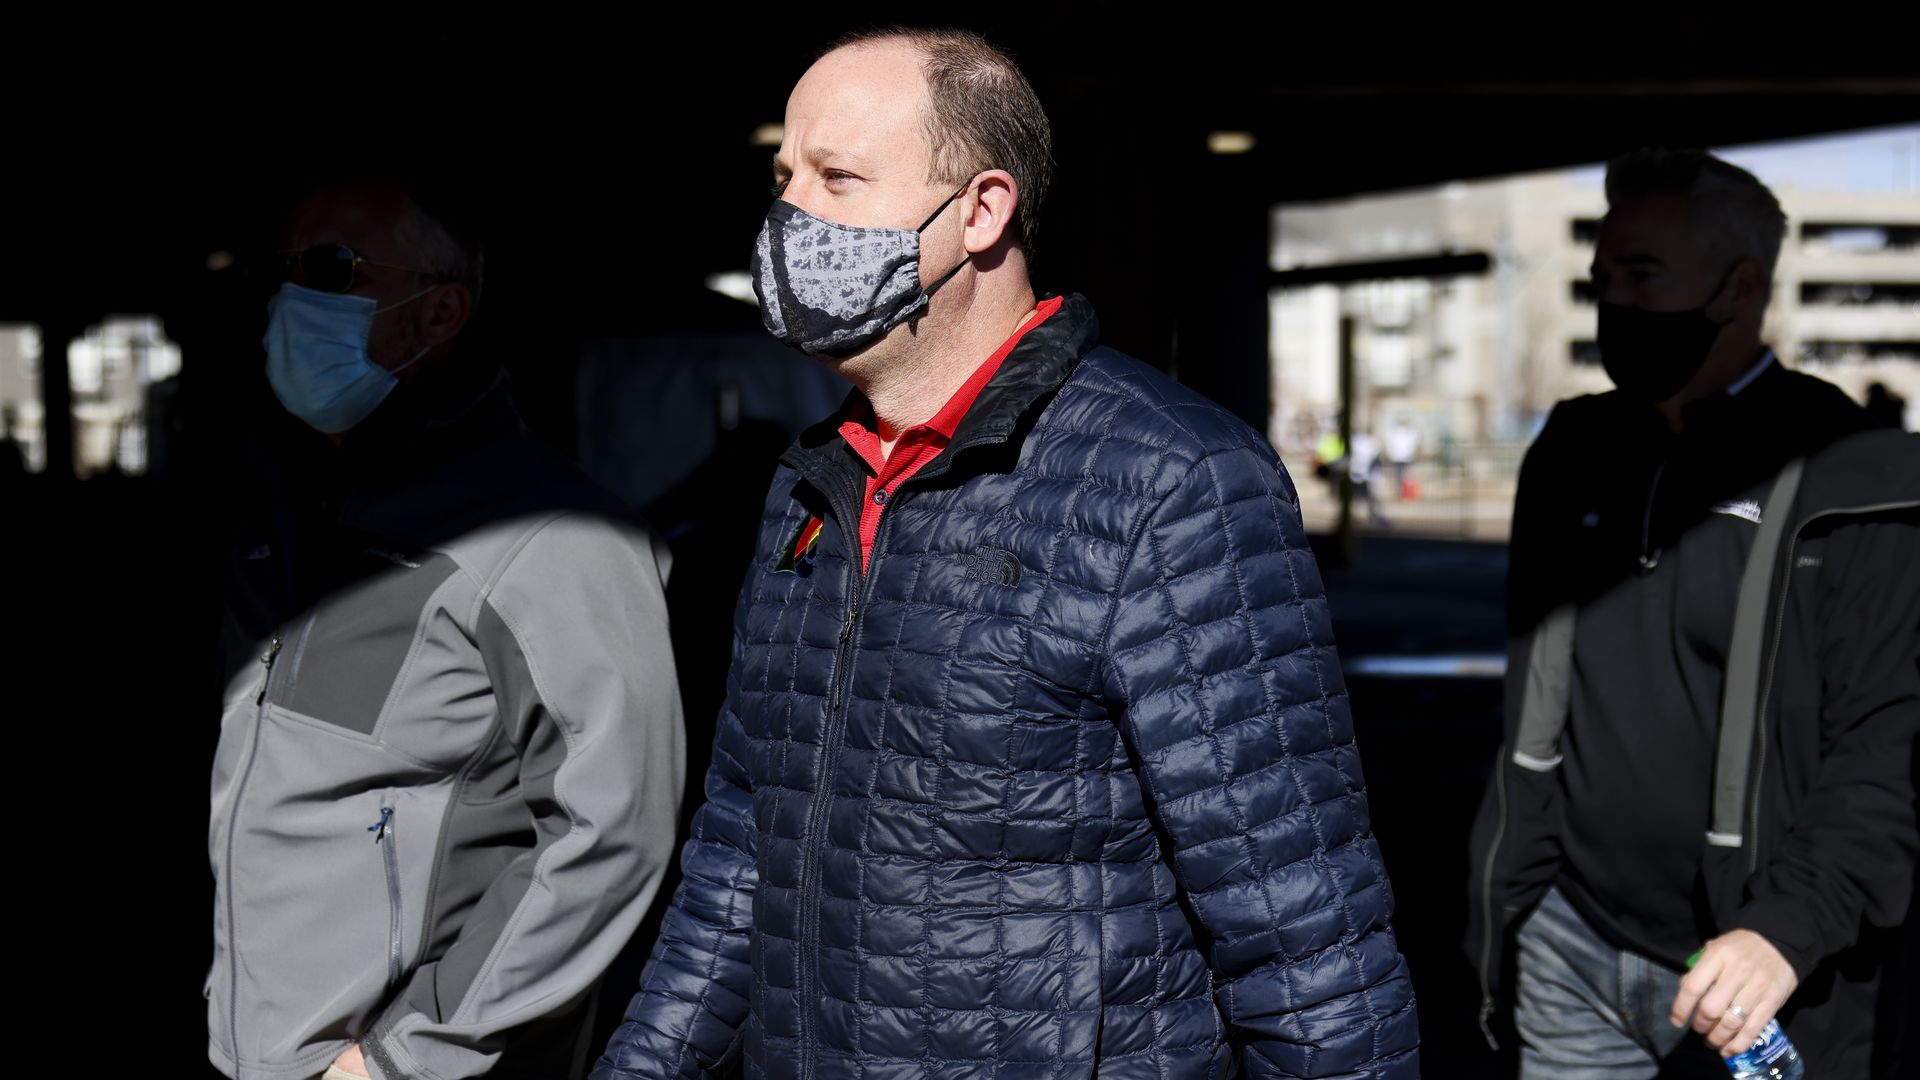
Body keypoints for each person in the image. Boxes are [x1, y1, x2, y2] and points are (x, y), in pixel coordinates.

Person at [595, 27, 1418, 1080]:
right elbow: (738, 858)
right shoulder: (809, 484)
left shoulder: (1172, 479)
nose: (792, 216)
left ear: (982, 212)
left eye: (837, 179)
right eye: (784, 178)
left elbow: (1302, 931)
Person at [207, 180, 686, 1080]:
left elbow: (612, 832)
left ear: (441, 312)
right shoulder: (289, 510)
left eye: (334, 268)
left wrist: (404, 1057)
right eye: (286, 268)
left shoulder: (555, 534)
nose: (291, 296)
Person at [1467, 148, 1919, 1078]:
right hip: (1567, 944)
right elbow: (1535, 701)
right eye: (1602, 278)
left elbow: (1889, 751)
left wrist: (1786, 931)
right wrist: (1521, 899)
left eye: (1643, 276)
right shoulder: (1571, 450)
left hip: (1755, 976)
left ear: (1740, 288)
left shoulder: (1861, 477)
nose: (1614, 304)